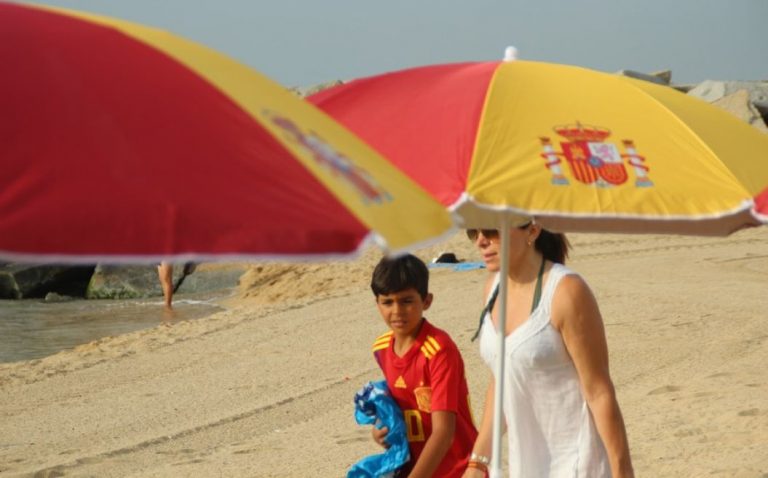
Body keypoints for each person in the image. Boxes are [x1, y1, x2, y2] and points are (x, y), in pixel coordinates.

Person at [462, 223, 634, 478]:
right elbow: (503, 378)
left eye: (491, 231)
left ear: (532, 231)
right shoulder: (492, 289)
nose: (480, 241)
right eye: (473, 232)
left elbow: (598, 391)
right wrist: (477, 461)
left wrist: (622, 471)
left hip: (578, 464)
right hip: (526, 465)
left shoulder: (566, 291)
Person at [369, 254, 479, 477]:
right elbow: (401, 404)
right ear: (377, 303)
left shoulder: (439, 350)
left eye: (407, 301)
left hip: (457, 469)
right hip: (416, 467)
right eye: (387, 302)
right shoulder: (381, 348)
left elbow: (444, 433)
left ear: (426, 301)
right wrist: (381, 430)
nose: (397, 311)